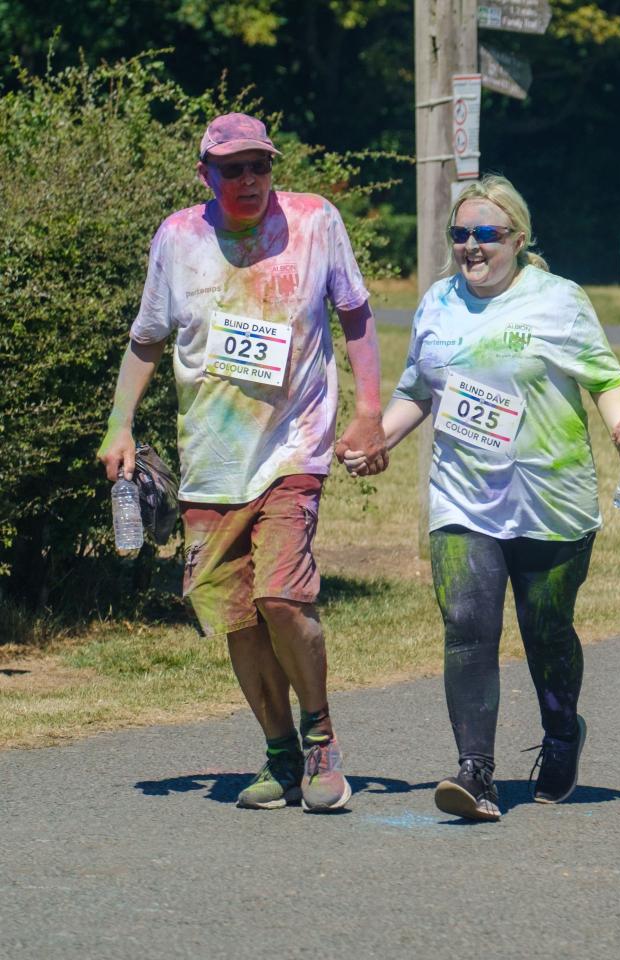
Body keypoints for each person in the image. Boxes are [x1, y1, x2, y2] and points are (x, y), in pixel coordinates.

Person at [97, 112, 386, 812]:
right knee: (239, 617)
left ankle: (321, 740)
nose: (250, 180)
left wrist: (370, 412)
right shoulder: (179, 238)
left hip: (295, 446)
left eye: (260, 166)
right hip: (212, 460)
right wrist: (119, 426)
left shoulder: (316, 222)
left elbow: (355, 313)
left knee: (280, 596)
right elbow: (146, 341)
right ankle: (280, 754)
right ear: (207, 174)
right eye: (234, 169)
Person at [341, 175, 620, 822]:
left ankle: (563, 731)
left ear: (519, 237)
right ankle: (475, 772)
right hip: (463, 499)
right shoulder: (438, 304)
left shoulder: (559, 301)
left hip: (550, 501)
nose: (472, 248)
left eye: (487, 235)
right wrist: (379, 441)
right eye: (460, 235)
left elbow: (607, 379)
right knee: (468, 626)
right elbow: (418, 391)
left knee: (547, 631)